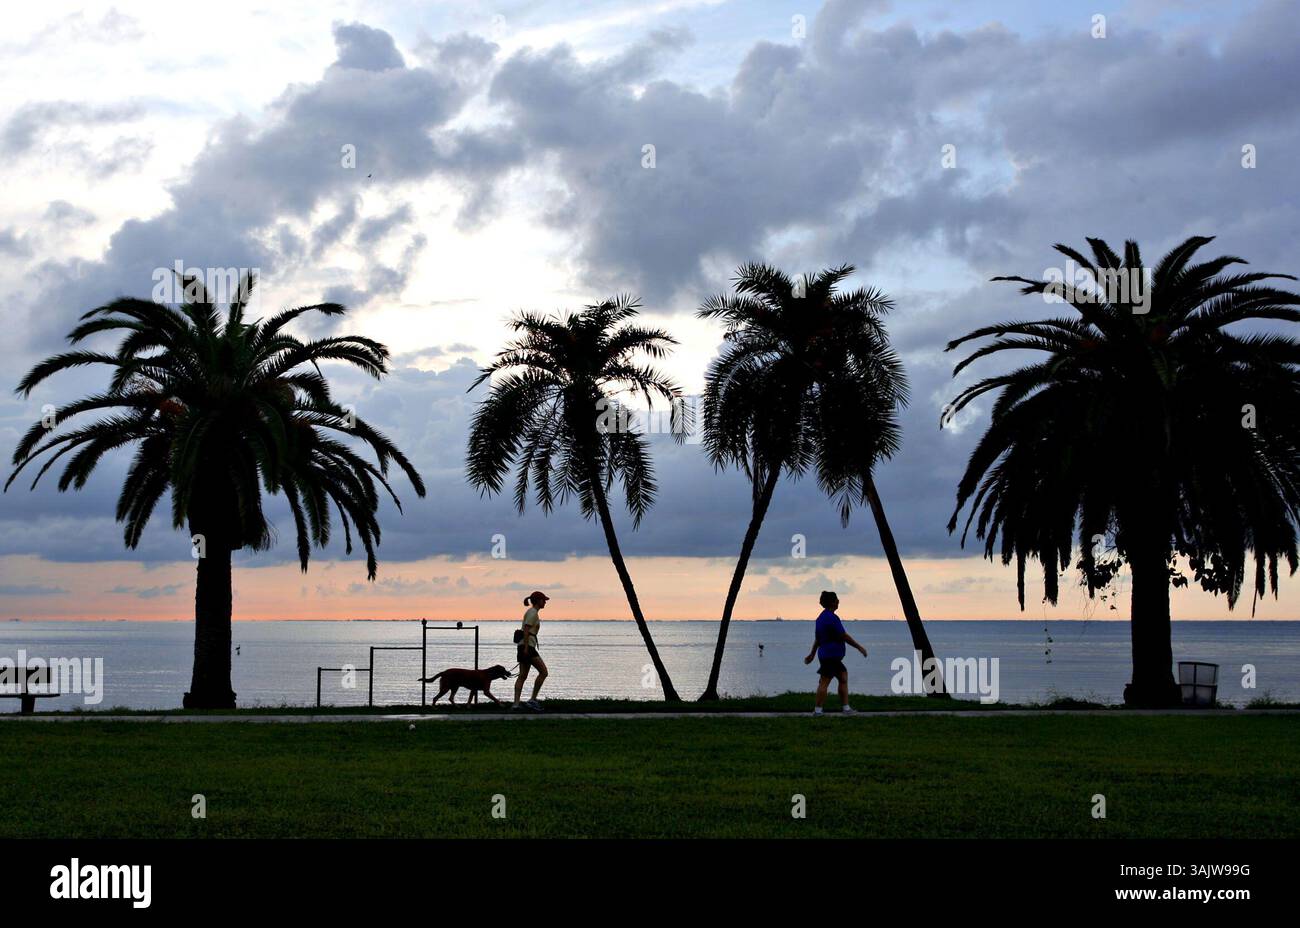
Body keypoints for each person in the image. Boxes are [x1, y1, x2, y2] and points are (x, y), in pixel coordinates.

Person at [803, 590, 867, 715]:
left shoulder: (820, 618)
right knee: (825, 681)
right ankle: (818, 711)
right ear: (832, 602)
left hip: (829, 656)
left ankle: (846, 708)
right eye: (837, 599)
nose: (839, 601)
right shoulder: (831, 618)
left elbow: (818, 639)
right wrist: (859, 647)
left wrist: (812, 654)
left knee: (843, 677)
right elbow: (844, 636)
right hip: (830, 656)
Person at [513, 591, 549, 711]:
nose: (545, 602)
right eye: (543, 600)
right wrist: (527, 648)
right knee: (543, 672)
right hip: (528, 646)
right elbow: (527, 630)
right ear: (538, 601)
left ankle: (516, 704)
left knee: (522, 675)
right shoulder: (532, 612)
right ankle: (533, 700)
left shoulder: (532, 612)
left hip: (524, 645)